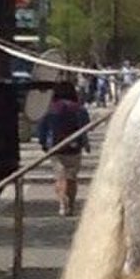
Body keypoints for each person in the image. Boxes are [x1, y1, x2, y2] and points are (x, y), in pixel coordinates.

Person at [37, 79, 89, 216]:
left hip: (56, 148)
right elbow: (86, 127)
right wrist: (86, 144)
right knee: (72, 177)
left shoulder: (50, 108)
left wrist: (43, 143)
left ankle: (62, 204)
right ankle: (71, 204)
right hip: (74, 148)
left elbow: (42, 128)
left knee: (60, 177)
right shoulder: (79, 108)